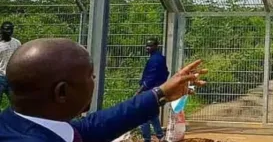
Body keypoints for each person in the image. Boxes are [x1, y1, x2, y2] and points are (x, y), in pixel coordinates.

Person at [0, 38, 207, 142]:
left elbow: (95, 126)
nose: (94, 80)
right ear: (62, 92)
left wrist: (161, 93)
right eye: (91, 76)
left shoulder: (18, 124)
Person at [138, 38, 169, 142]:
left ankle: (147, 138)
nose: (148, 47)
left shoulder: (155, 60)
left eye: (150, 45)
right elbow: (166, 73)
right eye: (147, 45)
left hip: (149, 90)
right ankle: (160, 136)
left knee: (143, 114)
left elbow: (151, 77)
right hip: (156, 90)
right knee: (152, 114)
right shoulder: (159, 58)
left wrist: (140, 90)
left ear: (156, 46)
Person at [0, 21, 22, 106]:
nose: (8, 31)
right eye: (6, 29)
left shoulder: (17, 43)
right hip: (1, 77)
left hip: (13, 77)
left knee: (16, 103)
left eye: (10, 29)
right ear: (1, 30)